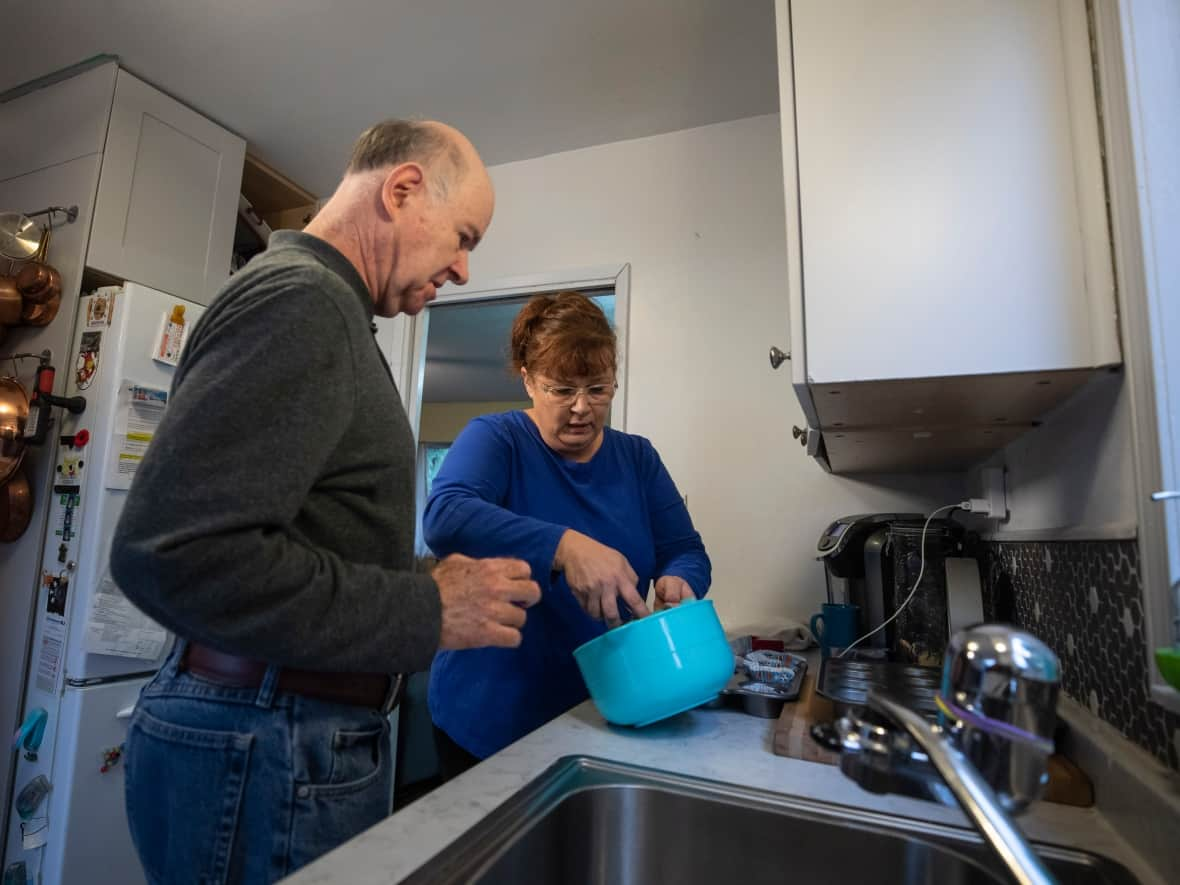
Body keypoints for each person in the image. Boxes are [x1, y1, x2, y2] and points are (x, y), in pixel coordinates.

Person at [109, 120, 541, 884]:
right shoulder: (304, 302)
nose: (466, 269)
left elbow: (305, 538)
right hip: (268, 740)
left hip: (280, 738)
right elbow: (173, 553)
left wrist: (427, 582)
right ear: (403, 190)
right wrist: (427, 610)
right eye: (463, 236)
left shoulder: (327, 310)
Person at [423, 291, 712, 773]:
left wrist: (680, 580)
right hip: (490, 719)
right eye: (561, 390)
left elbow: (685, 550)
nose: (581, 408)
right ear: (529, 381)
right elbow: (445, 516)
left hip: (606, 707)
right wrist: (565, 546)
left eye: (597, 389)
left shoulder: (637, 458)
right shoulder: (497, 440)